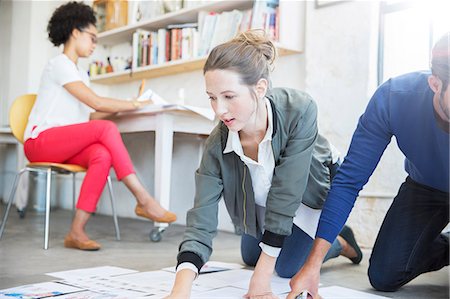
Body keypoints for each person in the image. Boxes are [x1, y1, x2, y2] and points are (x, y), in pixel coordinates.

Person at [165, 30, 362, 299]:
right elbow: (201, 217)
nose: (219, 110)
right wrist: (181, 289)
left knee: (285, 266)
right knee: (250, 255)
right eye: (212, 97)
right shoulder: (217, 143)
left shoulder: (299, 110)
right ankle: (293, 243)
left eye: (229, 96)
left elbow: (287, 190)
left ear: (259, 89)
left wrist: (262, 279)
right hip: (268, 201)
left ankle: (337, 240)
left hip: (309, 195)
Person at [287, 32, 450, 299]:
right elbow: (349, 181)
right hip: (426, 187)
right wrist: (313, 264)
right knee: (384, 275)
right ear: (435, 83)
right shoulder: (393, 98)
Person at [23, 1, 177, 251]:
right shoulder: (59, 64)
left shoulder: (81, 75)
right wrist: (134, 103)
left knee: (102, 154)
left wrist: (121, 109)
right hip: (39, 143)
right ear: (75, 32)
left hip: (63, 144)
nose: (95, 44)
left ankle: (76, 231)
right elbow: (95, 102)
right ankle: (143, 198)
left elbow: (91, 116)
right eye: (92, 37)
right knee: (106, 132)